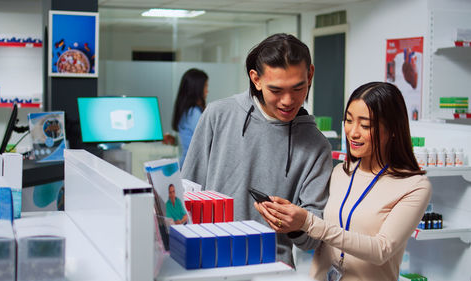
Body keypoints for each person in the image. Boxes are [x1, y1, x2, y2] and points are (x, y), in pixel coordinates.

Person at [181, 33, 333, 267]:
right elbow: (188, 194)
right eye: (276, 90)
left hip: (271, 269)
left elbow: (311, 239)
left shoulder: (317, 146)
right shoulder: (218, 115)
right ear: (256, 79)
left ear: (310, 74)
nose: (288, 100)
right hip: (207, 263)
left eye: (298, 88)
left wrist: (297, 224)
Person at [255, 82, 432, 281]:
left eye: (365, 125)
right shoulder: (340, 172)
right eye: (348, 120)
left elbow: (381, 250)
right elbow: (320, 235)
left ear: (392, 129)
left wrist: (308, 221)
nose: (353, 132)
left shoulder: (414, 186)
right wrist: (293, 223)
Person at [172, 68, 209, 168]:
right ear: (197, 88)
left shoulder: (186, 111)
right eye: (205, 86)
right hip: (192, 167)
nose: (207, 90)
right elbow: (208, 138)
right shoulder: (193, 113)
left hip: (186, 165)